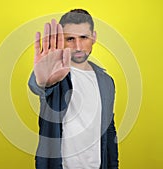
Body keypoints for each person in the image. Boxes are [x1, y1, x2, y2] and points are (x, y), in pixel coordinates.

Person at [29, 9, 119, 169]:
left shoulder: (106, 81)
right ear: (62, 40)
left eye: (84, 37)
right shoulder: (55, 74)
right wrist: (42, 81)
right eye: (70, 38)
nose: (78, 46)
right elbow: (38, 87)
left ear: (94, 37)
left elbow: (109, 130)